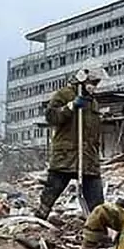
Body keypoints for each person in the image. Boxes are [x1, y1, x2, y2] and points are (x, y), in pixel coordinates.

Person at [38, 67, 104, 221]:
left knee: (97, 202)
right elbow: (51, 117)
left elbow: (94, 132)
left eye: (97, 82)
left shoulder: (93, 103)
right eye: (93, 82)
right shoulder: (64, 94)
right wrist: (70, 107)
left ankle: (99, 230)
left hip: (88, 159)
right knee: (51, 193)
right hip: (66, 156)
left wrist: (95, 151)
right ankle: (38, 221)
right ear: (83, 79)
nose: (95, 85)